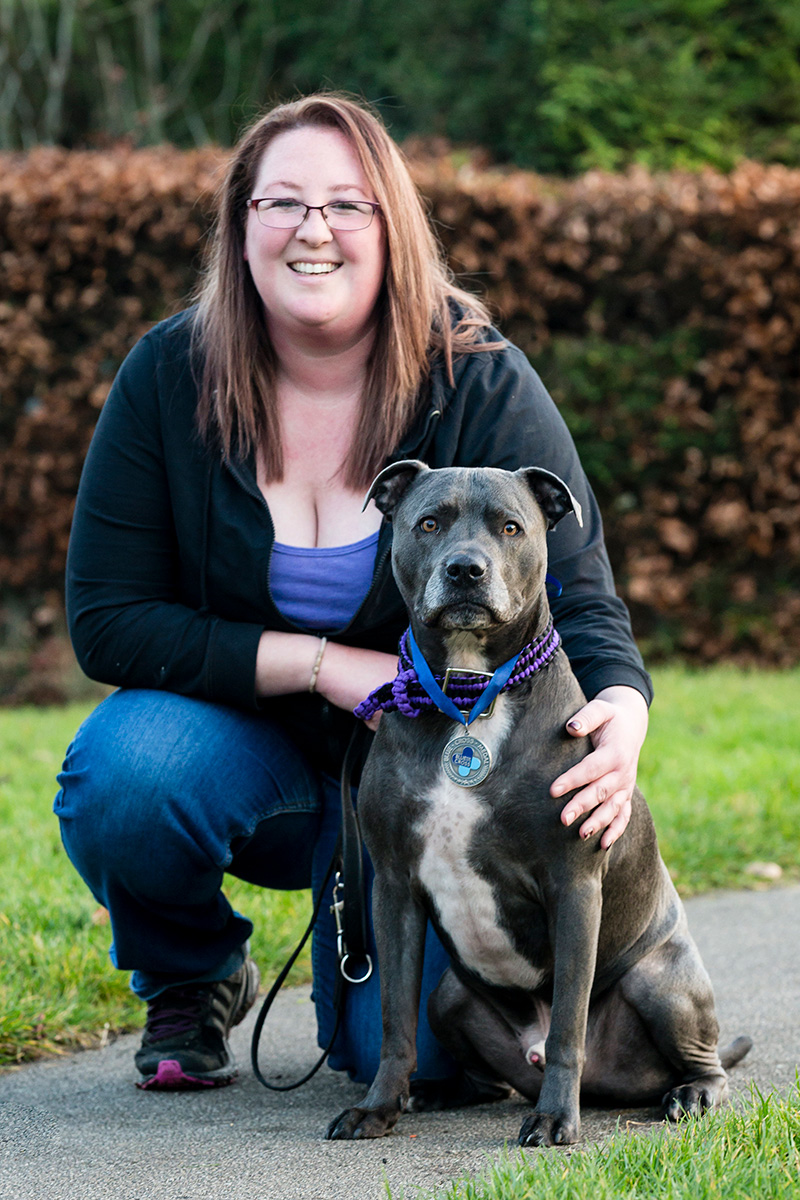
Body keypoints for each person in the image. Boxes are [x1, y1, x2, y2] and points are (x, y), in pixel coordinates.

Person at [56, 93, 652, 1091]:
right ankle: (193, 975)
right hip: (235, 750)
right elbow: (108, 621)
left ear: (392, 226)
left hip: (438, 778)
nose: (314, 230)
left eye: (348, 204)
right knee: (126, 774)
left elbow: (583, 598)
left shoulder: (478, 379)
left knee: (409, 1064)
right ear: (242, 223)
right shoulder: (168, 374)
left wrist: (622, 719)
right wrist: (329, 668)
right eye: (282, 202)